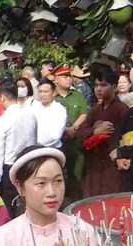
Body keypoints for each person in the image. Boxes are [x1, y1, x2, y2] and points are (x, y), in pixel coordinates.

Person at [76, 67, 129, 197]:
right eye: (96, 85)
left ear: (114, 87)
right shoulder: (95, 109)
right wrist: (95, 131)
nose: (98, 89)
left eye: (103, 85)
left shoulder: (122, 110)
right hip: (94, 163)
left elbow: (126, 137)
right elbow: (80, 132)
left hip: (112, 163)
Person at [0, 80, 37, 218]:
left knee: (9, 208)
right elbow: (34, 140)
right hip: (29, 162)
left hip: (10, 167)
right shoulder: (31, 115)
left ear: (2, 98)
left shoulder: (3, 120)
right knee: (29, 202)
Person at [53, 65, 90, 202]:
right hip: (58, 141)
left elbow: (84, 113)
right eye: (64, 76)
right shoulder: (52, 97)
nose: (68, 79)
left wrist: (73, 128)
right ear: (55, 79)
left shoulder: (77, 95)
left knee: (77, 173)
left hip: (75, 140)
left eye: (69, 76)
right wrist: (64, 130)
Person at [31, 79, 68, 149]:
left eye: (46, 92)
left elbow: (55, 135)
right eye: (40, 91)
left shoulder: (59, 110)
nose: (42, 94)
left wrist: (37, 142)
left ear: (53, 93)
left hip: (52, 149)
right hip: (33, 147)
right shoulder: (33, 107)